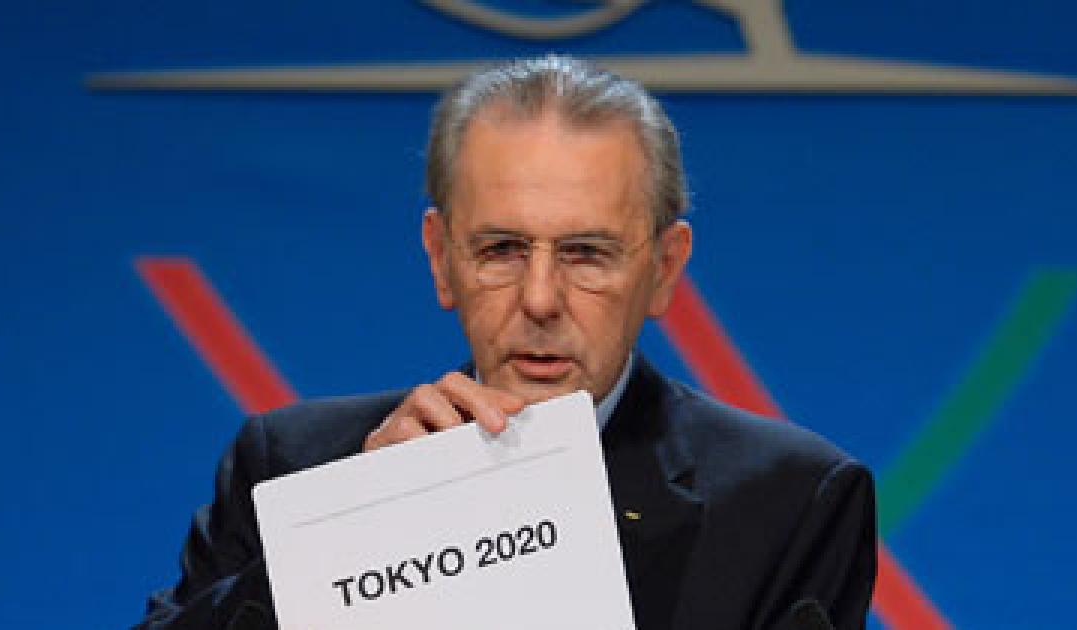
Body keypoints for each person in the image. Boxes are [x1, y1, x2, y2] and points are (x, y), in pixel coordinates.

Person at [136, 55, 875, 630]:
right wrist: (352, 534)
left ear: (663, 269)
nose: (540, 299)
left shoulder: (791, 500)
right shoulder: (294, 467)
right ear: (441, 258)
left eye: (586, 254)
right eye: (502, 249)